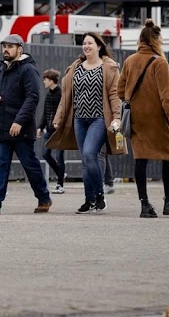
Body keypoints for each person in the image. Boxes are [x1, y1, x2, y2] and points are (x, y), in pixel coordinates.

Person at [48, 32, 123, 214]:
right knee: (85, 161)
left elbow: (114, 94)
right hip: (79, 119)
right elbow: (66, 96)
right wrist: (58, 119)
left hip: (99, 118)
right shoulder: (76, 67)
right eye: (84, 43)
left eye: (90, 43)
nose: (86, 46)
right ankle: (89, 200)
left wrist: (117, 117)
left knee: (90, 154)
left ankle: (99, 195)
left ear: (99, 46)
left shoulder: (109, 67)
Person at [116, 20, 169, 218]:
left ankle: (145, 204)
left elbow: (120, 91)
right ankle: (168, 201)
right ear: (156, 40)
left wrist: (135, 102)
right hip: (158, 119)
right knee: (168, 157)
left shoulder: (130, 61)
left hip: (137, 119)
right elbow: (167, 96)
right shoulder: (160, 62)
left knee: (141, 160)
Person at [0, 34, 51, 216]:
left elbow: (33, 97)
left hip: (21, 128)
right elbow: (4, 95)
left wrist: (19, 121)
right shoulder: (2, 68)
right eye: (4, 46)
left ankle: (44, 198)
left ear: (20, 48)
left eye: (10, 46)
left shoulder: (28, 69)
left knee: (29, 164)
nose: (6, 49)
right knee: (0, 164)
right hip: (2, 127)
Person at [37, 69, 66, 195]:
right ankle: (61, 173)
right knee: (45, 153)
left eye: (45, 79)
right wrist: (40, 127)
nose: (44, 81)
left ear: (51, 80)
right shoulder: (49, 94)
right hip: (49, 129)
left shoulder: (61, 93)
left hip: (60, 130)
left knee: (60, 157)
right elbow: (45, 113)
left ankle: (60, 184)